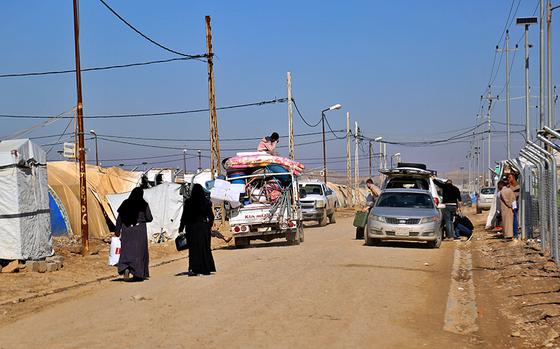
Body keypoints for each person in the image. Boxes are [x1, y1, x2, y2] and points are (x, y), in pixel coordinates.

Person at [115, 187, 153, 281]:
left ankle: (126, 267)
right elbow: (149, 218)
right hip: (139, 231)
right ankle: (138, 274)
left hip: (127, 230)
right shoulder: (143, 204)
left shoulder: (125, 203)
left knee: (126, 251)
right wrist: (142, 219)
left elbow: (119, 218)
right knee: (139, 252)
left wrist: (117, 231)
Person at [179, 184, 216, 276]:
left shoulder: (188, 202)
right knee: (204, 248)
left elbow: (184, 216)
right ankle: (205, 268)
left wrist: (181, 228)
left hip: (191, 228)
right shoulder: (206, 202)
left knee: (193, 249)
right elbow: (211, 216)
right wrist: (208, 226)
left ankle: (195, 268)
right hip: (203, 227)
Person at [507, 173, 520, 239]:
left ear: (513, 178)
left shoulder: (517, 186)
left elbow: (515, 196)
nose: (508, 179)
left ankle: (515, 234)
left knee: (514, 218)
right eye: (508, 177)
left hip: (514, 203)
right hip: (511, 203)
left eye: (510, 177)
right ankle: (512, 232)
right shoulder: (509, 186)